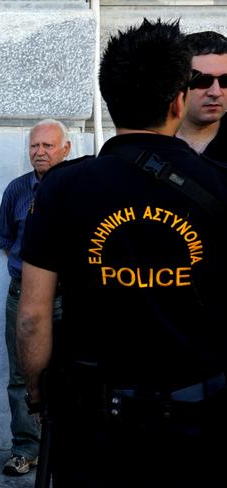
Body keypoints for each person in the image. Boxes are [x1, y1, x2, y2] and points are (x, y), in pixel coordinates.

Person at [17, 19, 227, 487]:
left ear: (109, 99)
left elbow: (33, 315)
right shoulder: (219, 185)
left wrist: (36, 392)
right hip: (196, 419)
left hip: (94, 424)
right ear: (178, 101)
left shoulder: (63, 187)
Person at [0, 119, 70, 476]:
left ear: (66, 149)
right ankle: (25, 449)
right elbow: (7, 240)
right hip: (21, 297)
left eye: (48, 146)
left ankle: (67, 450)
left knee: (72, 373)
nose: (39, 152)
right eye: (34, 146)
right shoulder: (16, 191)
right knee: (22, 374)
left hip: (70, 298)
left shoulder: (79, 189)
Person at [176, 31, 227, 162]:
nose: (216, 92)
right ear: (179, 83)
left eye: (225, 81)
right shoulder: (155, 141)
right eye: (203, 81)